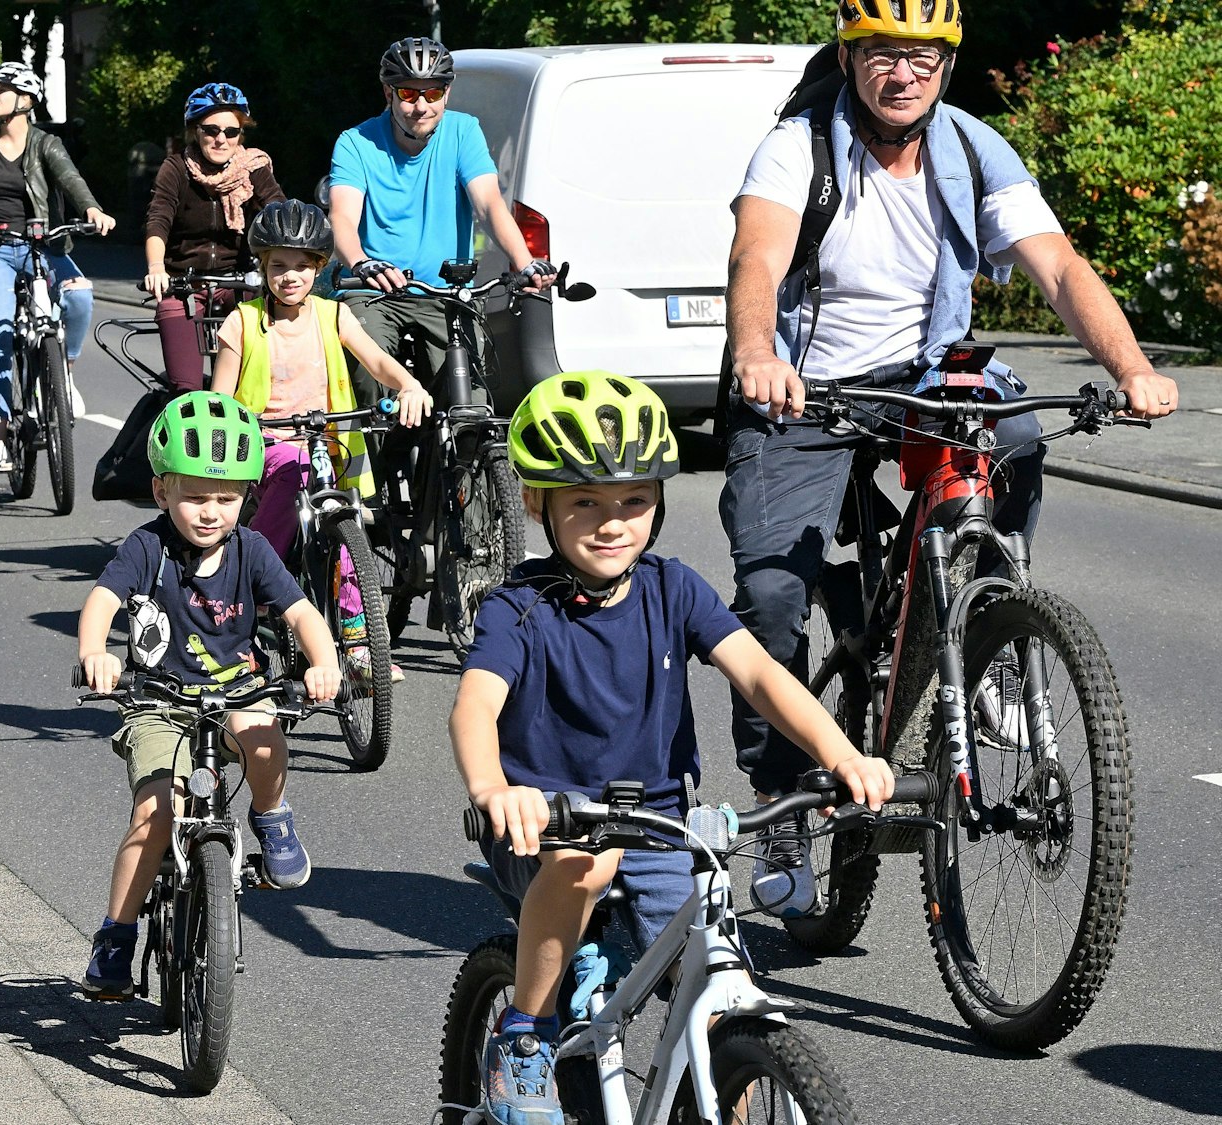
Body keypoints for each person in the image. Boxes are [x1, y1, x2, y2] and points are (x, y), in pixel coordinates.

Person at [720, 0, 1179, 911]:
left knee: (1013, 431)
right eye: (884, 55)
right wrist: (758, 354)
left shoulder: (972, 151)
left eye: (922, 57)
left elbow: (1058, 268)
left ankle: (991, 629)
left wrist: (1131, 366)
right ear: (851, 59)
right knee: (771, 592)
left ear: (947, 66)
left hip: (925, 372)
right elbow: (756, 261)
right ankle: (776, 803)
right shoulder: (797, 148)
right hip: (806, 383)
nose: (903, 74)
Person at [451, 371, 896, 1124]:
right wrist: (496, 789)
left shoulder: (672, 588)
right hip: (548, 824)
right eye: (584, 500)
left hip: (660, 824)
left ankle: (728, 1081)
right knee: (583, 864)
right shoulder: (516, 607)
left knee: (725, 993)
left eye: (633, 500)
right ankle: (524, 1033)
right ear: (539, 502)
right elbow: (475, 706)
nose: (612, 521)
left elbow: (758, 671)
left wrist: (840, 751)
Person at [75, 390, 343, 999]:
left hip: (235, 691)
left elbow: (300, 613)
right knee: (155, 813)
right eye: (195, 496)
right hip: (159, 699)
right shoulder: (148, 547)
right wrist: (95, 651)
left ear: (248, 498)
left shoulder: (252, 549)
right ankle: (115, 935)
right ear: (161, 490)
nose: (210, 512)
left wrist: (324, 662)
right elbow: (103, 601)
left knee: (266, 741)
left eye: (226, 498)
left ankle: (272, 818)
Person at [210, 199, 431, 683]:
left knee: (351, 530)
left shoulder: (334, 316)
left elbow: (377, 362)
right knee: (293, 470)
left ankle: (356, 645)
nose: (290, 277)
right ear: (263, 268)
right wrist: (229, 433)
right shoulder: (242, 322)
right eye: (278, 266)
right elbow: (219, 399)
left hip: (332, 442)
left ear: (319, 269)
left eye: (301, 266)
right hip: (267, 443)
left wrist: (409, 386)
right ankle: (256, 586)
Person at [327, 37, 556, 385]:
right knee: (367, 377)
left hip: (446, 293)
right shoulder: (355, 142)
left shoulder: (464, 131)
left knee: (470, 396)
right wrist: (361, 262)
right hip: (375, 291)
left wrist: (524, 262)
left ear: (446, 93)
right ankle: (370, 439)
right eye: (408, 94)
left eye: (432, 94)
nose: (421, 106)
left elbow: (489, 204)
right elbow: (342, 217)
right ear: (388, 92)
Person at [0, 61, 115, 473]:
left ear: (25, 100)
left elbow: (70, 179)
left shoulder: (46, 144)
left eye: (1, 89)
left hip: (42, 245)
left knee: (78, 293)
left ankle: (64, 370)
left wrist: (91, 208)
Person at [142, 82, 285, 392]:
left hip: (240, 285)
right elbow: (158, 220)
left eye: (231, 132)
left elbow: (277, 211)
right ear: (196, 130)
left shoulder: (253, 167)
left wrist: (288, 259)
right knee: (186, 392)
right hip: (185, 286)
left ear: (240, 135)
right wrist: (157, 268)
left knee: (250, 389)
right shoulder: (176, 168)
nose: (221, 139)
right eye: (211, 130)